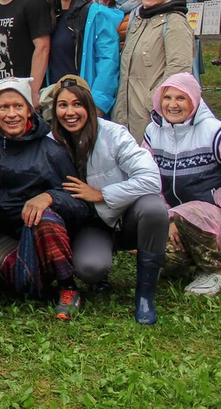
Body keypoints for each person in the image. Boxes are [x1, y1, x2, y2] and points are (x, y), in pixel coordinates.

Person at [50, 75, 168, 324]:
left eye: (77, 104)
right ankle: (99, 272)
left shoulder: (114, 134)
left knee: (154, 208)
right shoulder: (51, 142)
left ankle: (145, 296)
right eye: (63, 105)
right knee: (90, 268)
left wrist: (101, 194)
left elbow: (151, 179)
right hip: (91, 224)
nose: (70, 112)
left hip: (126, 216)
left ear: (89, 106)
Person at [0, 78, 88, 319]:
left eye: (18, 106)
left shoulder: (52, 150)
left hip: (43, 237)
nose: (12, 114)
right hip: (2, 232)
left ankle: (68, 287)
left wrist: (50, 197)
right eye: (4, 107)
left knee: (44, 219)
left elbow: (80, 205)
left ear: (29, 110)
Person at [143, 73, 221, 296]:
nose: (172, 105)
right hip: (175, 215)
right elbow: (148, 176)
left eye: (181, 98)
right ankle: (187, 264)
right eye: (167, 98)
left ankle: (215, 269)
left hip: (211, 213)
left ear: (194, 100)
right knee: (164, 252)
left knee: (190, 215)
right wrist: (166, 215)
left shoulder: (213, 131)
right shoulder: (153, 132)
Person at [114, 0, 194, 141]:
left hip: (152, 116)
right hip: (126, 113)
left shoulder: (174, 22)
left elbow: (179, 69)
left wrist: (153, 102)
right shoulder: (139, 20)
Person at [47, 0, 123, 115]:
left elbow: (108, 61)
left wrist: (98, 103)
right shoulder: (51, 16)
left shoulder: (96, 15)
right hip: (55, 103)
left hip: (85, 105)